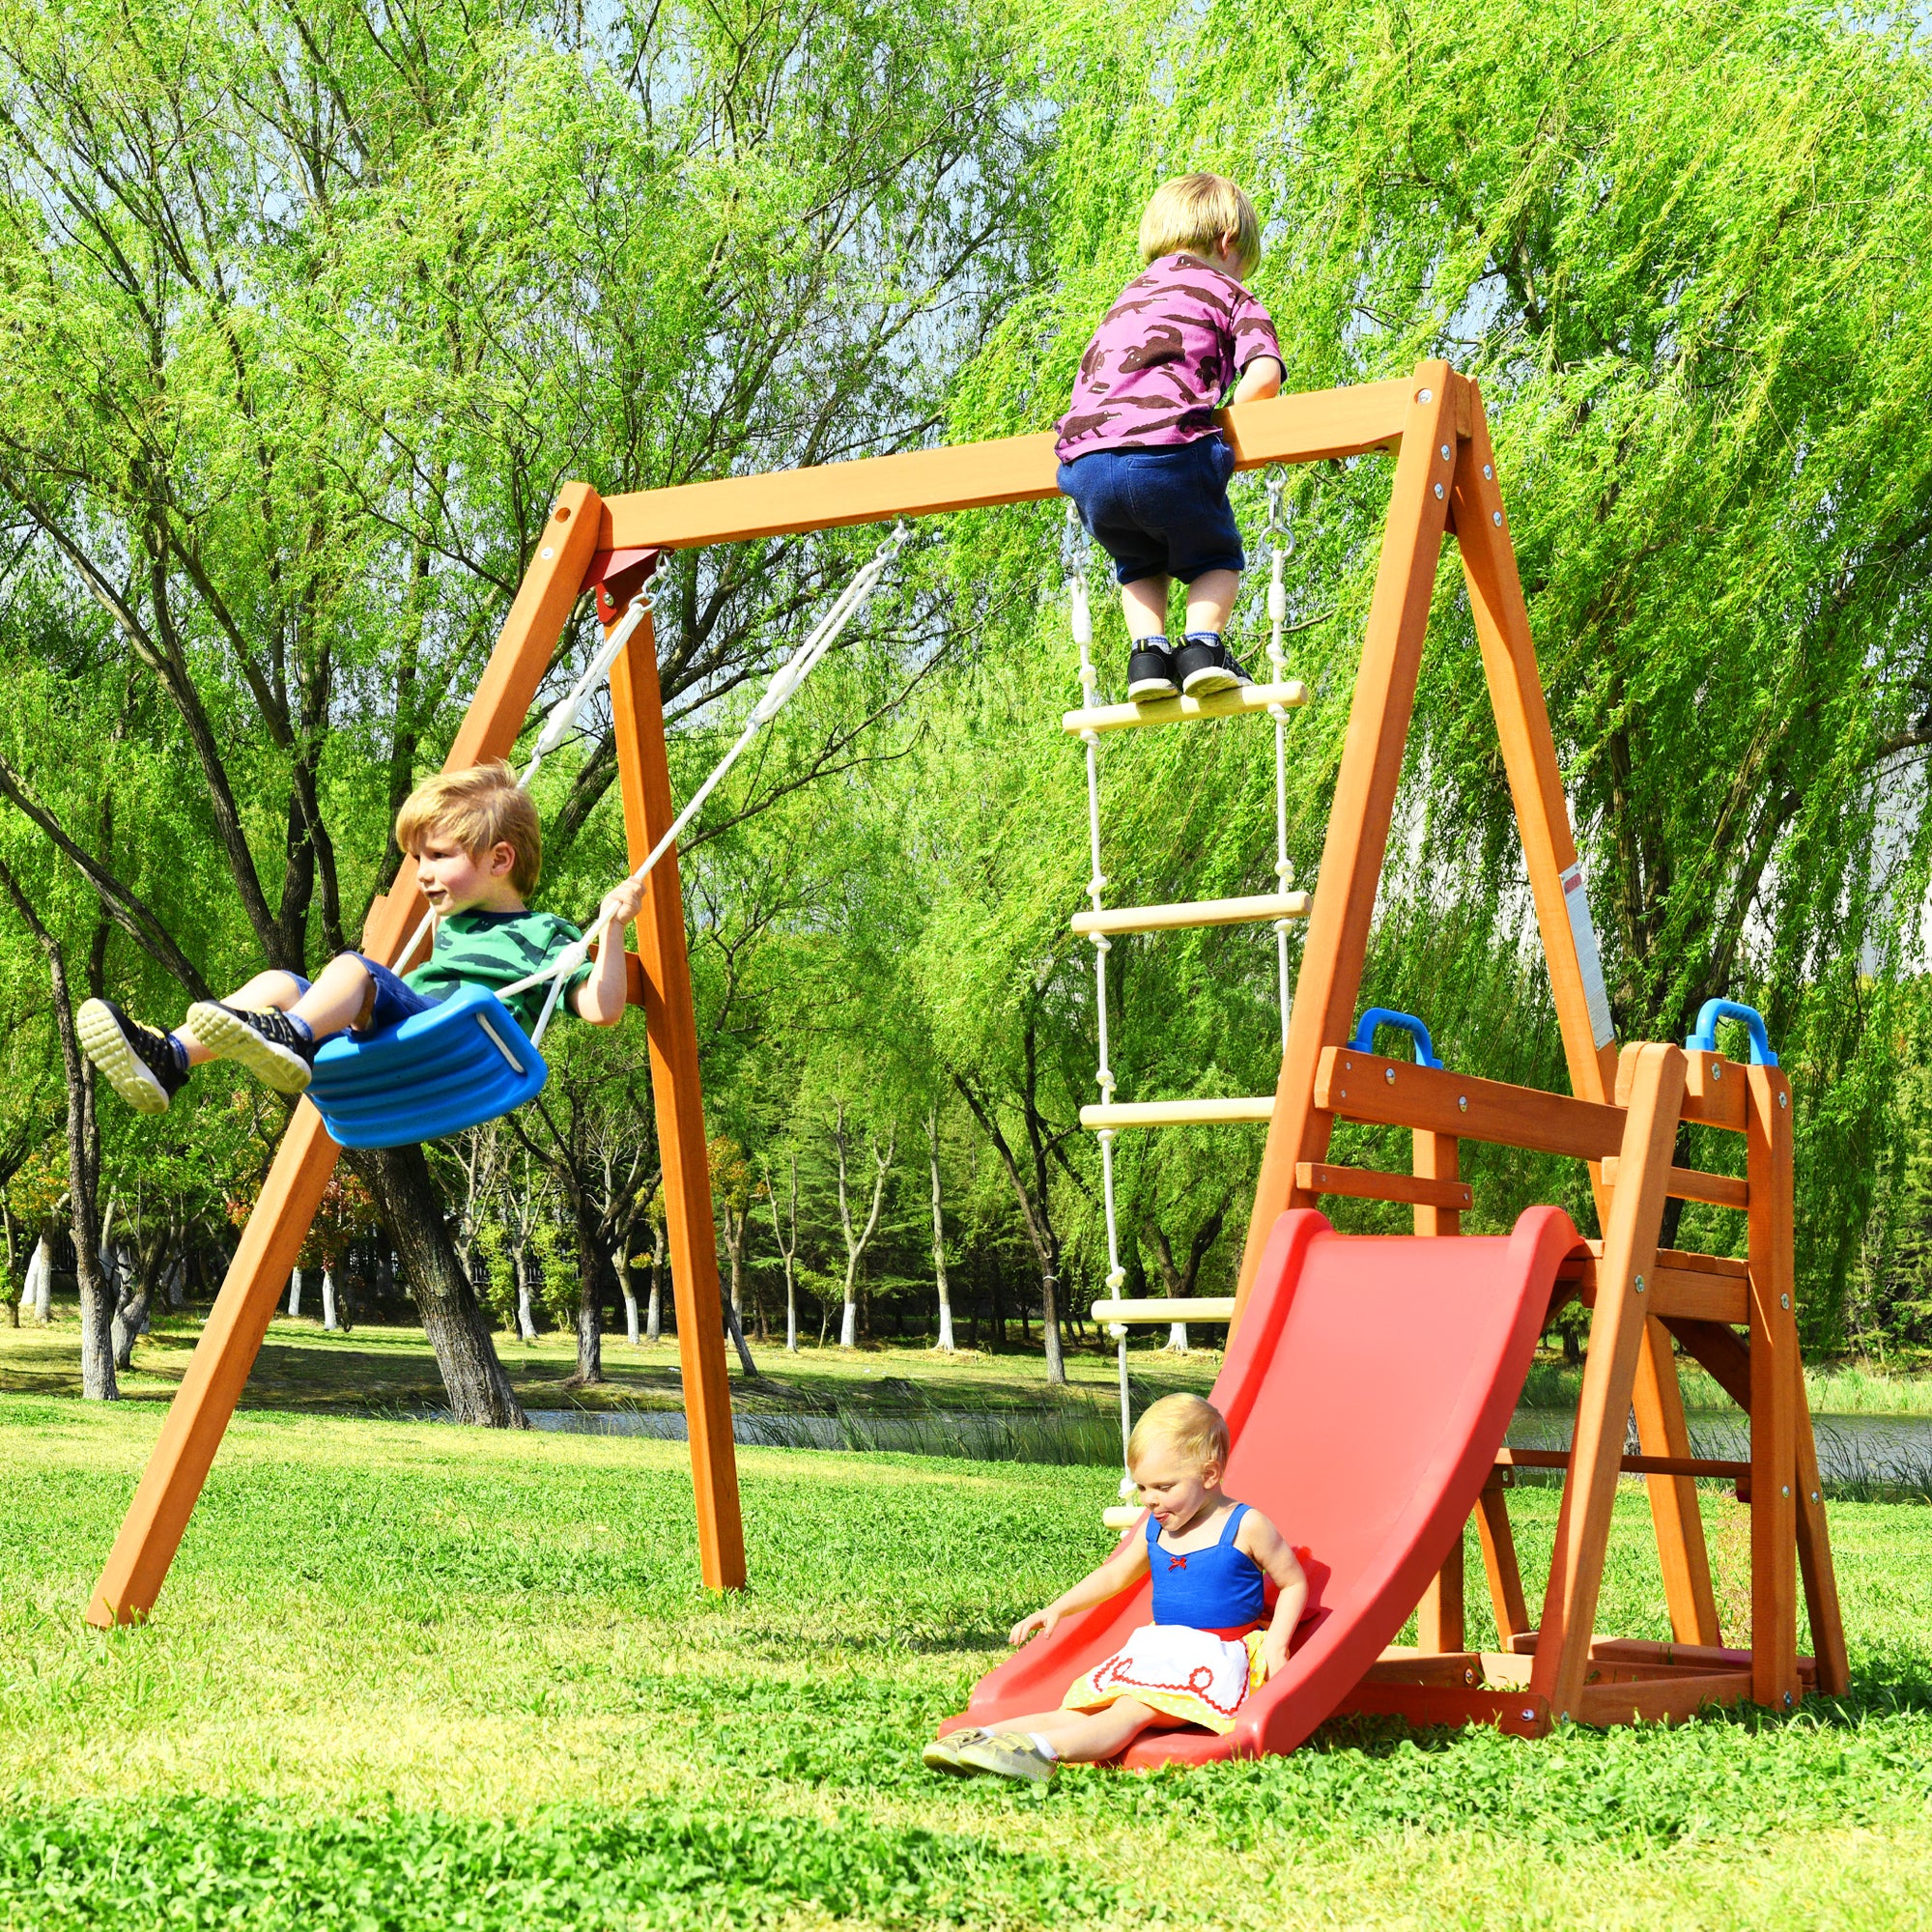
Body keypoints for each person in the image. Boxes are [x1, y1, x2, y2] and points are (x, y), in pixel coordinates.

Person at [77, 761, 642, 1114]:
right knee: (278, 979)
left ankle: (293, 1035)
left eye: (438, 857)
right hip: (396, 1033)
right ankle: (171, 1059)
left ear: (500, 860)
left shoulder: (543, 936)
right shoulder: (453, 924)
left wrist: (612, 928)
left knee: (354, 967)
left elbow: (601, 1007)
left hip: (449, 1037)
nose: (421, 872)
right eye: (417, 857)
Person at [923, 1392, 1307, 1781]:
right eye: (1142, 1488)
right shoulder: (1156, 1526)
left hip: (1216, 1658)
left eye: (1163, 1486)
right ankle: (975, 1740)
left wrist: (1276, 1641)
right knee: (1076, 1711)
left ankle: (1038, 1752)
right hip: (1163, 1649)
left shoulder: (1246, 1525)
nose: (1151, 1500)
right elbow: (1114, 1575)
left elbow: (1292, 1582)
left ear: (1209, 1475)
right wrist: (1057, 1607)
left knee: (1130, 1711)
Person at [1056, 172, 1287, 705]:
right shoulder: (1229, 292)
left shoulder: (1124, 300)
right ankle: (1204, 648)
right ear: (1228, 243)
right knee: (1215, 555)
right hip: (1169, 450)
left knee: (1136, 559)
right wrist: (1226, 423)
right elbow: (1263, 377)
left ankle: (1147, 657)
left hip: (1086, 463)